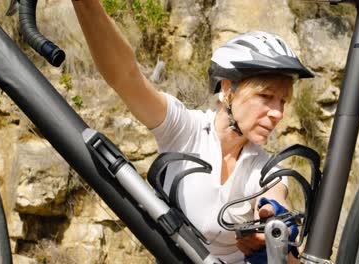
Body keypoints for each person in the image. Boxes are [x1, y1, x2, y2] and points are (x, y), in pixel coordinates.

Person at [72, 1, 313, 263]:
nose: (277, 113)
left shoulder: (267, 169)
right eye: (266, 96)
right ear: (227, 88)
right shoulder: (185, 129)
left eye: (282, 102)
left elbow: (274, 199)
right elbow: (126, 77)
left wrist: (273, 225)